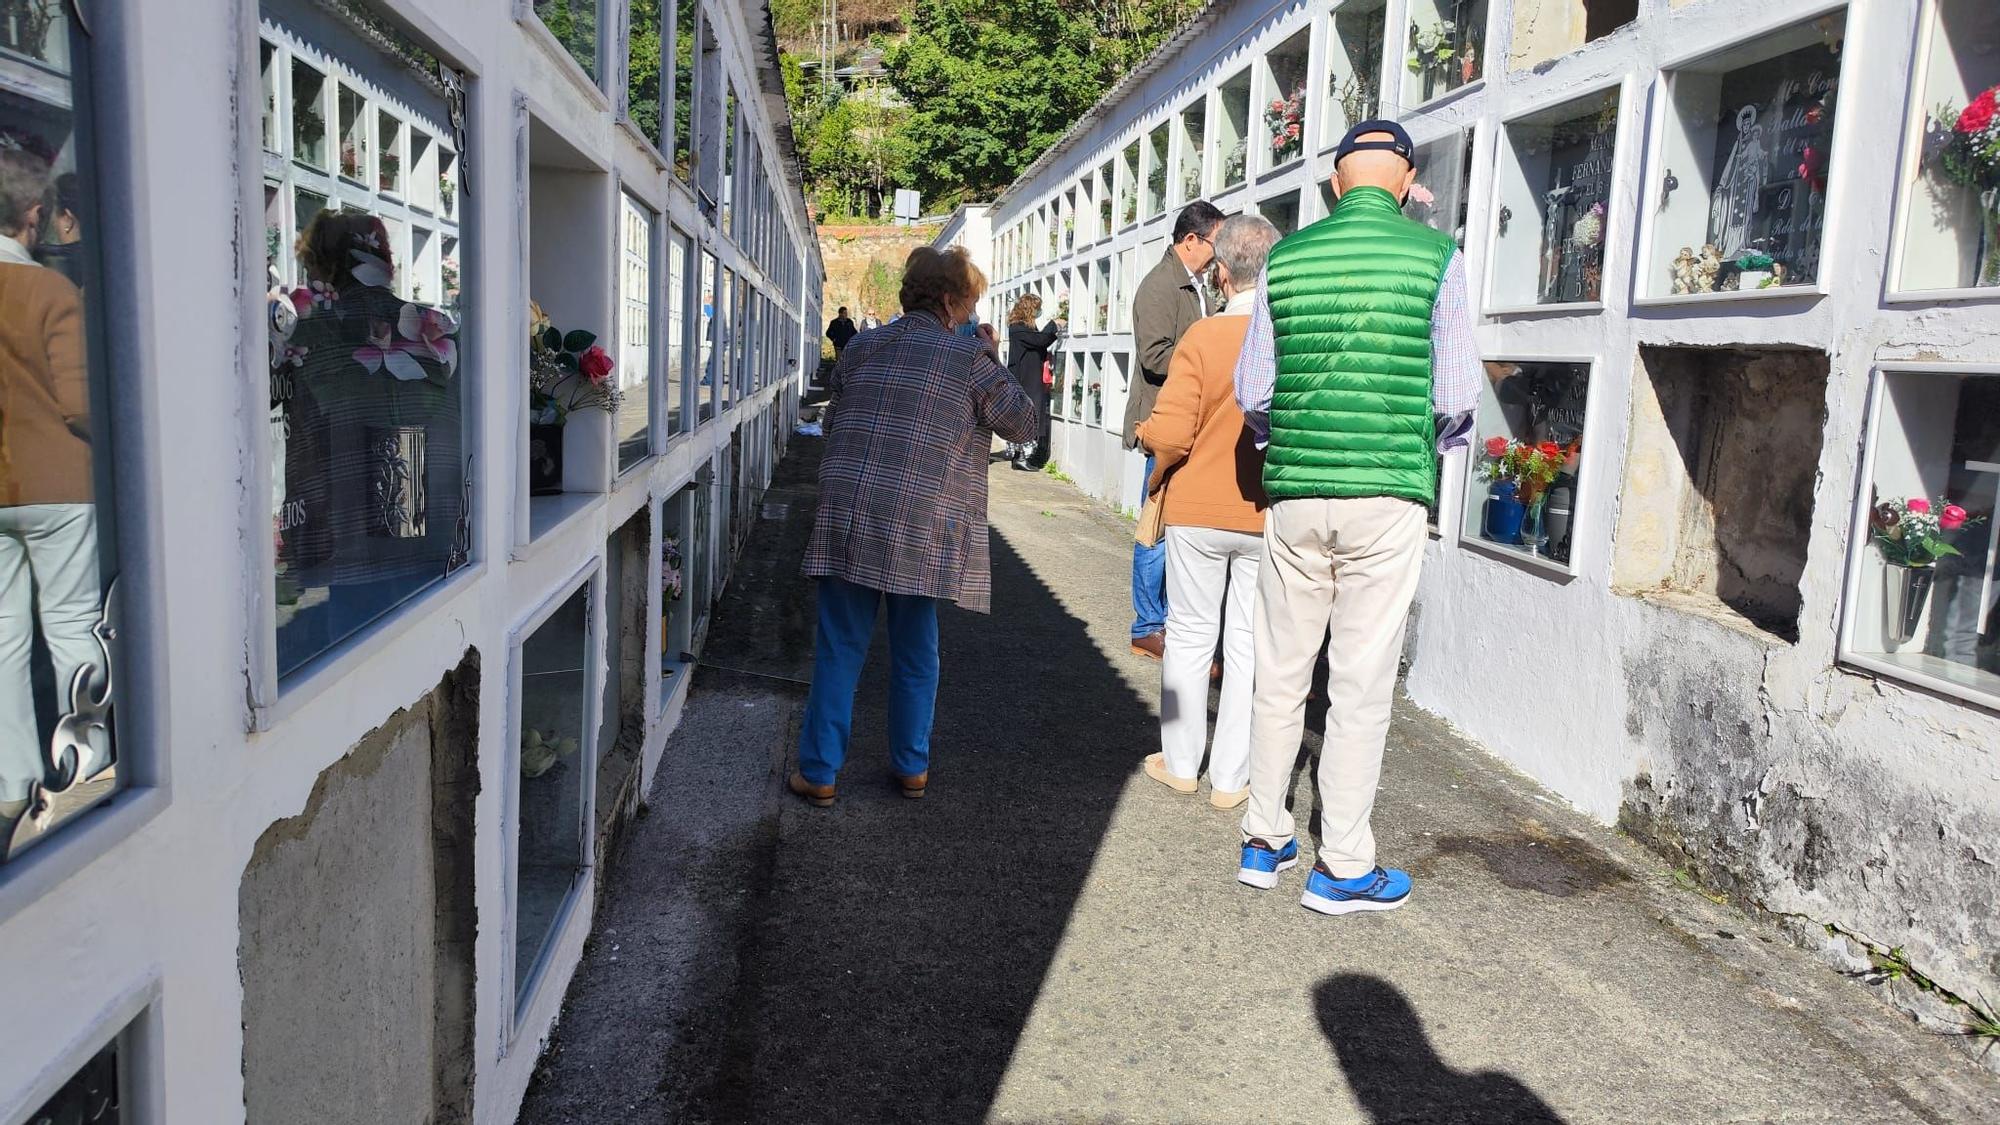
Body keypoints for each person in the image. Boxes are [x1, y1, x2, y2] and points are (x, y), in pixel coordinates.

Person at [1232, 121, 1479, 914]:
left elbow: (1255, 394)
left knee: (1280, 669)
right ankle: (1342, 864)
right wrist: (1409, 446)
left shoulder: (1286, 258)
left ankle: (1263, 838)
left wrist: (1295, 444)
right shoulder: (1437, 257)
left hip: (1297, 494)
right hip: (1386, 494)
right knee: (1360, 681)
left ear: (1336, 185)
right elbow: (1456, 397)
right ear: (1405, 182)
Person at [792, 246, 1036, 806]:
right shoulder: (968, 358)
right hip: (921, 524)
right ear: (950, 302)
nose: (972, 313)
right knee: (915, 651)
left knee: (839, 648)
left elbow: (837, 418)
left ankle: (821, 772)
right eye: (970, 303)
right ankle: (911, 767)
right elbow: (1023, 423)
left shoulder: (863, 345)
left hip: (849, 509)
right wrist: (994, 358)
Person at [1134, 215, 1277, 810]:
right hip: (1265, 511)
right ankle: (1232, 779)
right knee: (1247, 643)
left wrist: (1148, 436)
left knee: (1190, 636)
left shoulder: (1204, 337)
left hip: (1196, 509)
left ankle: (1181, 760)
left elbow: (1170, 432)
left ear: (1222, 273)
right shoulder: (1286, 338)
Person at [0, 148, 98, 853]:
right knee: (71, 627)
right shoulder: (50, 293)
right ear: (32, 217)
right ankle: (81, 768)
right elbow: (77, 403)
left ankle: (12, 779)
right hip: (61, 484)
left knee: (2, 637)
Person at [1123, 199, 1224, 661]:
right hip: (1165, 424)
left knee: (1177, 526)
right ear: (1191, 240)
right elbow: (1154, 356)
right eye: (1214, 244)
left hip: (1188, 422)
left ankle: (1165, 622)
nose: (1218, 254)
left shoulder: (1194, 284)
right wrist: (1204, 365)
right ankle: (1147, 625)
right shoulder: (1161, 286)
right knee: (1157, 528)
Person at [1004, 293, 1061, 471]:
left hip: (1028, 377)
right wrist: (1054, 324)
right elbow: (1040, 341)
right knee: (1026, 415)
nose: (1039, 311)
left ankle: (1020, 456)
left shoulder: (1024, 327)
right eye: (1037, 307)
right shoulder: (1018, 327)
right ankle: (1021, 457)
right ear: (1029, 309)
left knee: (1026, 415)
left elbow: (1040, 342)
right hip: (1024, 379)